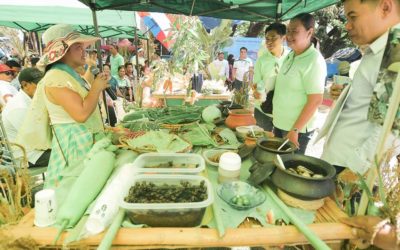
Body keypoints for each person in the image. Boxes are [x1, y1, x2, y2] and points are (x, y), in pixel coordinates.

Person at [17, 24, 108, 188]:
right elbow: (80, 114)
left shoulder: (67, 75)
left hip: (83, 144)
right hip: (75, 149)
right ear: (63, 51)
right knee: (75, 189)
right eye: (78, 47)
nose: (84, 52)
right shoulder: (55, 78)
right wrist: (96, 87)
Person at [321, 0, 400, 175]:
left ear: (385, 7)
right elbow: (377, 107)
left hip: (349, 169)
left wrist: (354, 171)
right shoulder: (381, 49)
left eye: (353, 16)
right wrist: (346, 94)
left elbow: (390, 128)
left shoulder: (395, 51)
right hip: (342, 161)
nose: (348, 26)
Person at [272, 13, 327, 154]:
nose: (289, 35)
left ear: (310, 32)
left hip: (296, 131)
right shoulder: (291, 55)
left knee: (288, 171)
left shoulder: (314, 60)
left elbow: (315, 100)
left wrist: (295, 130)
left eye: (294, 31)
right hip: (280, 124)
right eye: (288, 30)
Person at [2, 68, 51, 167]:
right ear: (25, 85)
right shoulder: (19, 107)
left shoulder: (31, 99)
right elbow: (36, 139)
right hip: (28, 156)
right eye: (38, 85)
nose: (42, 88)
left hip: (35, 149)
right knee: (71, 155)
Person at [253, 23, 289, 132]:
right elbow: (256, 83)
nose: (269, 42)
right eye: (267, 38)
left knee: (279, 143)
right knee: (262, 140)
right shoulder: (261, 60)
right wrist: (257, 91)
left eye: (273, 38)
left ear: (283, 38)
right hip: (263, 109)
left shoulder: (290, 58)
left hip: (283, 109)